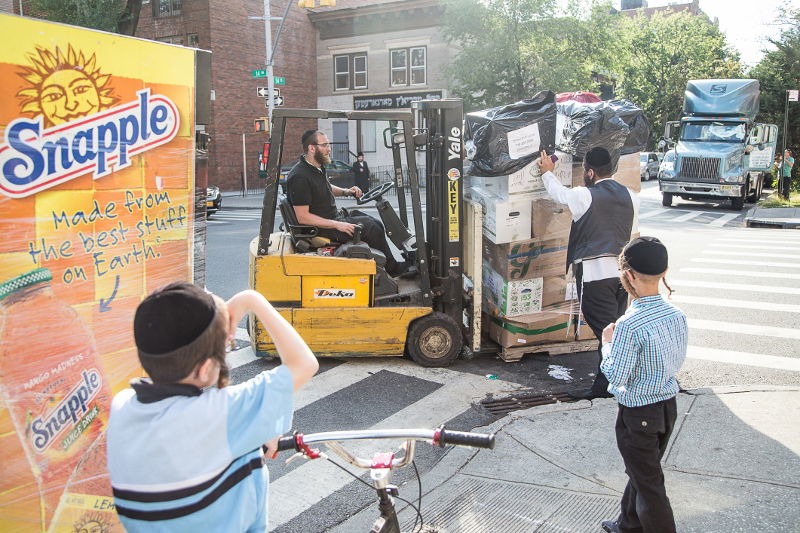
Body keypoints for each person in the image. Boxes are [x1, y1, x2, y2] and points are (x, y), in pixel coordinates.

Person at [106, 282, 319, 532]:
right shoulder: (222, 413)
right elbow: (303, 364)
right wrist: (251, 299)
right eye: (226, 348)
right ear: (205, 368)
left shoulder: (122, 406)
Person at [598, 237, 688, 533]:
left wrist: (606, 345)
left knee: (649, 486)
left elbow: (616, 375)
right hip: (666, 409)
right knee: (643, 473)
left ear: (629, 275)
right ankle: (627, 525)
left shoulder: (628, 325)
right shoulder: (676, 315)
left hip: (638, 414)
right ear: (664, 272)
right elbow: (676, 360)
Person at [538, 147, 639, 400]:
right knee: (615, 328)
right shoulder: (631, 195)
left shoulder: (585, 195)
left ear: (591, 172)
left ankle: (607, 386)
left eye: (584, 171)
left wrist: (547, 173)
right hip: (622, 277)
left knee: (608, 335)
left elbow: (559, 194)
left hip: (595, 276)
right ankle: (611, 381)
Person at [286, 129, 409, 277]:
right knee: (372, 229)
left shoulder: (315, 167)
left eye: (329, 144)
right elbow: (303, 217)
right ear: (312, 148)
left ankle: (380, 268)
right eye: (325, 145)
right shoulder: (300, 176)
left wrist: (346, 191)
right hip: (321, 228)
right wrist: (338, 225)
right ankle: (393, 269)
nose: (329, 149)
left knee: (374, 222)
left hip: (332, 217)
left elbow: (325, 187)